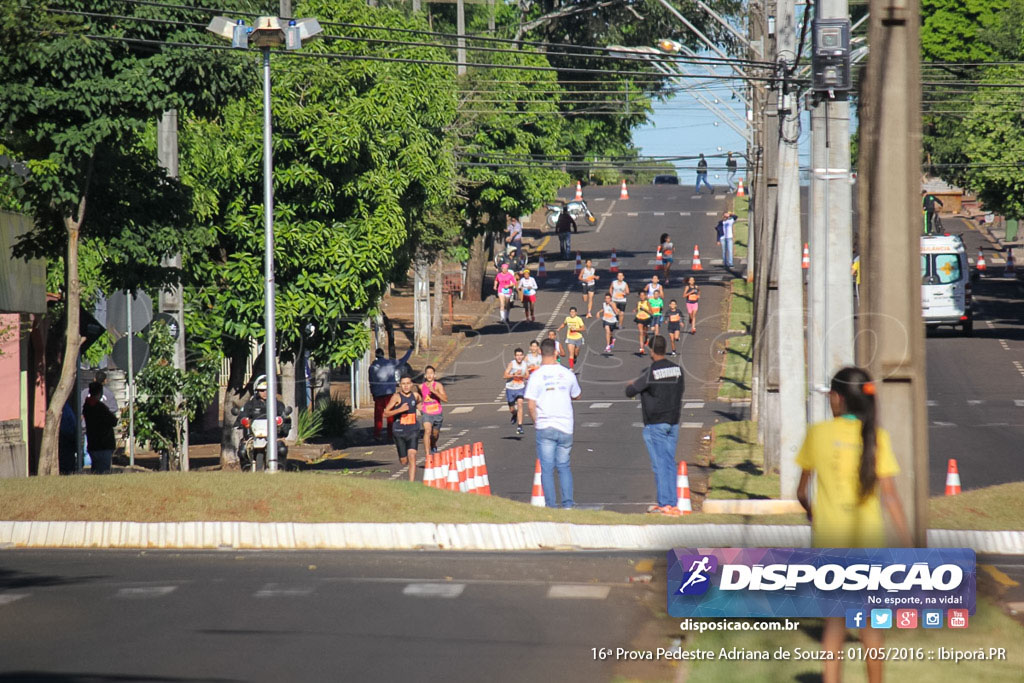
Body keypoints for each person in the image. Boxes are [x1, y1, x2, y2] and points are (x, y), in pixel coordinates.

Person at [796, 366, 912, 683]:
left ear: (836, 398)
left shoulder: (818, 434)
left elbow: (802, 492)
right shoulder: (878, 437)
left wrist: (812, 511)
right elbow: (890, 497)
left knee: (833, 627)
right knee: (871, 628)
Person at [626, 335, 685, 516]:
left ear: (651, 351)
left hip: (655, 423)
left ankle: (664, 503)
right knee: (669, 462)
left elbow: (631, 391)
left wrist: (633, 384)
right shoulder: (678, 370)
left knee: (659, 463)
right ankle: (673, 502)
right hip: (673, 421)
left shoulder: (651, 371)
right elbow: (680, 390)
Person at [525, 338, 582, 508]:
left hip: (545, 425)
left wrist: (536, 421)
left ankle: (551, 505)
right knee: (564, 466)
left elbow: (530, 404)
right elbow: (577, 394)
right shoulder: (567, 374)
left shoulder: (536, 376)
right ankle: (568, 504)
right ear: (556, 353)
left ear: (541, 353)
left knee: (547, 469)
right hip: (565, 425)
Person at [237, 374, 292, 470]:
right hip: (253, 436)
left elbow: (285, 417)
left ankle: (280, 469)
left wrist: (283, 420)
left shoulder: (278, 404)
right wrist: (243, 419)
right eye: (262, 390)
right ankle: (246, 470)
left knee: (281, 449)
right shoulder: (250, 404)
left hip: (274, 437)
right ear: (256, 391)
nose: (265, 393)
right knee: (242, 450)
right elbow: (242, 415)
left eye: (268, 389)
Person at [369, 346, 414, 441]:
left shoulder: (372, 367)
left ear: (376, 355)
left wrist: (373, 393)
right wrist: (409, 350)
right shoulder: (390, 363)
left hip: (378, 394)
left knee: (378, 415)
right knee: (391, 414)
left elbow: (371, 382)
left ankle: (377, 434)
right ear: (383, 354)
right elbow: (403, 360)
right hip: (389, 393)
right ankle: (391, 434)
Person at [383, 374, 421, 482]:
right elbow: (385, 413)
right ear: (400, 385)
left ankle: (411, 483)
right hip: (399, 431)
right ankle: (402, 456)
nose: (406, 386)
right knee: (404, 461)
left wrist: (425, 410)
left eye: (408, 383)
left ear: (412, 384)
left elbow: (419, 404)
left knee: (412, 455)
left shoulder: (416, 395)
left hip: (413, 429)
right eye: (403, 384)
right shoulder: (396, 397)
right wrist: (400, 410)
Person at [82, 381, 117, 474]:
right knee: (103, 470)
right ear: (100, 392)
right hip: (103, 444)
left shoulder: (87, 406)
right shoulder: (100, 407)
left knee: (95, 469)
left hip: (93, 443)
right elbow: (113, 421)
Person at [419, 365, 447, 455]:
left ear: (434, 375)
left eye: (431, 373)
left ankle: (433, 444)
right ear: (425, 376)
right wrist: (419, 406)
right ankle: (428, 455)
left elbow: (445, 399)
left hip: (437, 413)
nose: (429, 375)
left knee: (434, 435)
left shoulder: (438, 385)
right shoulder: (421, 386)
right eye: (428, 373)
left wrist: (435, 392)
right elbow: (417, 398)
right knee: (427, 431)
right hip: (426, 413)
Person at [503, 348, 529, 435]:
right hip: (510, 388)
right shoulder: (512, 364)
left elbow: (527, 375)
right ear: (515, 356)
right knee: (512, 409)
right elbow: (504, 375)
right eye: (517, 355)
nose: (519, 357)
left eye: (520, 355)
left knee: (520, 404)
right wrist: (513, 375)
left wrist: (524, 376)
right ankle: (514, 414)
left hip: (520, 388)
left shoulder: (525, 364)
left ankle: (520, 426)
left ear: (523, 356)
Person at [557, 306, 586, 370]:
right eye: (571, 312)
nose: (572, 313)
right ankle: (571, 368)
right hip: (570, 338)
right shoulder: (567, 318)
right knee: (571, 353)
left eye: (573, 312)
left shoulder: (578, 319)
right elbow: (564, 324)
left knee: (576, 353)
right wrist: (559, 328)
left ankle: (575, 357)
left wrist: (576, 329)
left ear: (576, 313)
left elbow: (583, 328)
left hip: (578, 338)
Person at [634, 290, 653, 356]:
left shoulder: (647, 303)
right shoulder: (638, 302)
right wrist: (635, 310)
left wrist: (645, 309)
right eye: (641, 295)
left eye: (643, 295)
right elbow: (637, 308)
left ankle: (647, 338)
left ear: (645, 296)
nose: (642, 297)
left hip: (646, 318)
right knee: (641, 333)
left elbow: (651, 312)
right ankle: (641, 348)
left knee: (645, 332)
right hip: (639, 318)